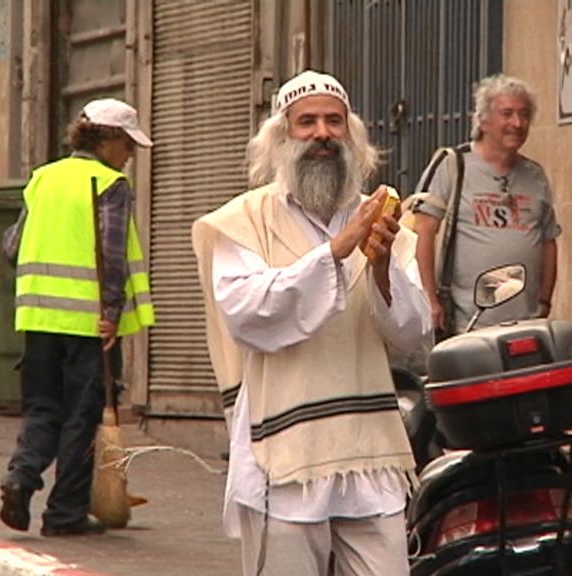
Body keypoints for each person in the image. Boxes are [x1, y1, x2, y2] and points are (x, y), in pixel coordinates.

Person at [192, 70, 431, 576]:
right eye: (307, 122)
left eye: (333, 121)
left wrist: (383, 268)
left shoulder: (383, 220)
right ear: (281, 136)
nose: (322, 133)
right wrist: (339, 252)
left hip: (369, 454)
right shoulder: (243, 221)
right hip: (283, 456)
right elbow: (249, 315)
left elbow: (414, 336)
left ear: (351, 135)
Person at [0, 98, 156, 537]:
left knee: (43, 408)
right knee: (81, 418)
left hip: (37, 319)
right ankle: (64, 514)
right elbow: (110, 254)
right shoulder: (109, 183)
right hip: (88, 324)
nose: (129, 156)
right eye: (127, 145)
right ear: (107, 140)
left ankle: (21, 477)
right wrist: (110, 312)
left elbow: (11, 246)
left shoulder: (42, 179)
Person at [410, 74, 560, 334]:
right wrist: (430, 300)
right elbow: (421, 232)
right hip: (465, 325)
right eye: (507, 113)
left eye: (524, 115)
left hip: (526, 325)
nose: (517, 123)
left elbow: (548, 242)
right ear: (483, 120)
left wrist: (545, 302)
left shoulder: (535, 176)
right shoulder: (452, 165)